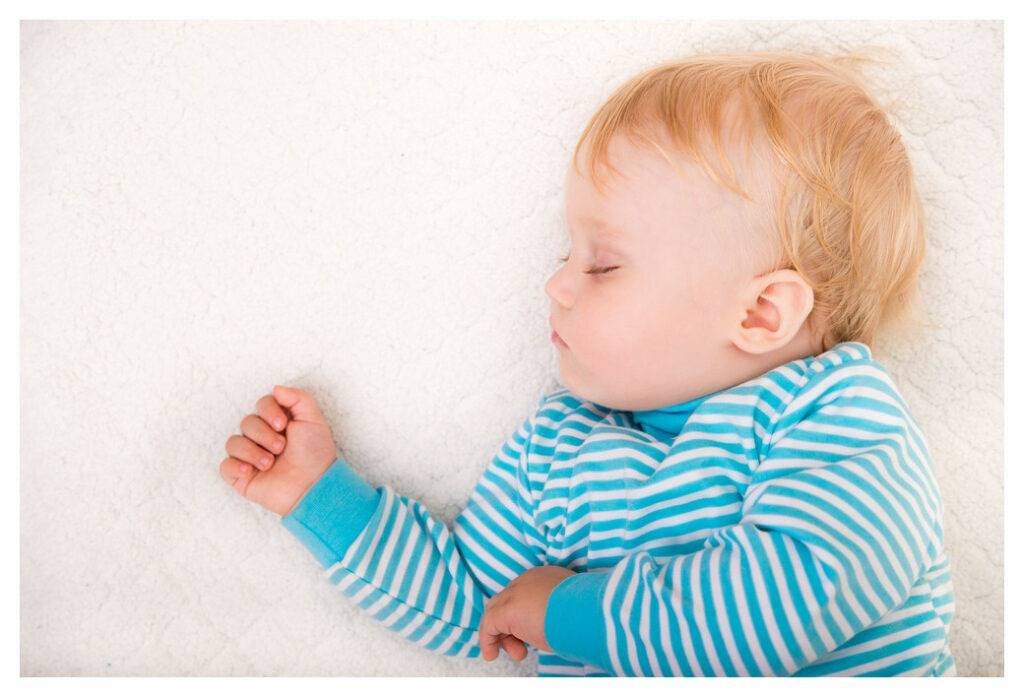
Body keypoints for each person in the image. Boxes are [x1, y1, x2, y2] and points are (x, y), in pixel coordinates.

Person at [219, 49, 955, 676]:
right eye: (566, 253)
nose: (557, 284)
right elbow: (481, 605)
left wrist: (569, 611)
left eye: (602, 265)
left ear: (760, 313)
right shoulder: (562, 443)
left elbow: (793, 599)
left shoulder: (838, 414)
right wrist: (321, 495)